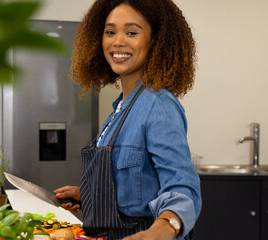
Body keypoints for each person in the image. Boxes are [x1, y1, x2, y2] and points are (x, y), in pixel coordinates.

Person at [54, 0, 202, 239]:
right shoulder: (120, 108)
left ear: (155, 41)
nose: (117, 41)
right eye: (110, 32)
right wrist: (90, 195)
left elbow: (181, 187)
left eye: (131, 32)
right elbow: (138, 184)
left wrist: (162, 230)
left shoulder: (158, 105)